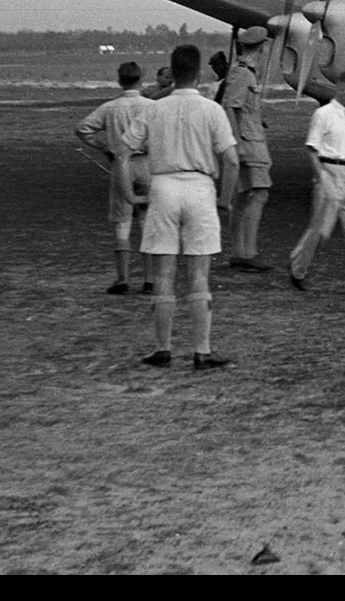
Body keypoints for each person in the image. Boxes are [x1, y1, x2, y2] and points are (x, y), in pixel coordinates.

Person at [119, 45, 239, 370]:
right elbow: (231, 159)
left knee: (164, 274)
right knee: (199, 275)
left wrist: (129, 194)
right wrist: (225, 199)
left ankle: (163, 348)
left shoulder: (155, 108)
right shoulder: (211, 109)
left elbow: (123, 152)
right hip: (199, 188)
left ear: (172, 72)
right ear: (199, 73)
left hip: (164, 188)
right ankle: (202, 350)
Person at [288, 71, 345, 295]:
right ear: (342, 90)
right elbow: (311, 148)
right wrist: (322, 177)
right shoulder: (322, 114)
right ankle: (298, 266)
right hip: (329, 170)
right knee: (321, 229)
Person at [75, 61, 156, 294]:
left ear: (120, 81)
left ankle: (123, 280)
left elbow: (82, 129)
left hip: (121, 161)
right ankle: (150, 279)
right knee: (147, 220)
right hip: (146, 162)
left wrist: (105, 147)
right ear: (141, 79)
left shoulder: (110, 107)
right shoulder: (152, 106)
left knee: (122, 222)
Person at [221, 28, 273, 272]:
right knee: (259, 193)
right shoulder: (244, 73)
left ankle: (239, 252)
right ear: (262, 46)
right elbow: (230, 105)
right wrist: (237, 142)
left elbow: (237, 106)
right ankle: (248, 252)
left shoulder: (242, 71)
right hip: (250, 143)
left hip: (248, 137)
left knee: (243, 198)